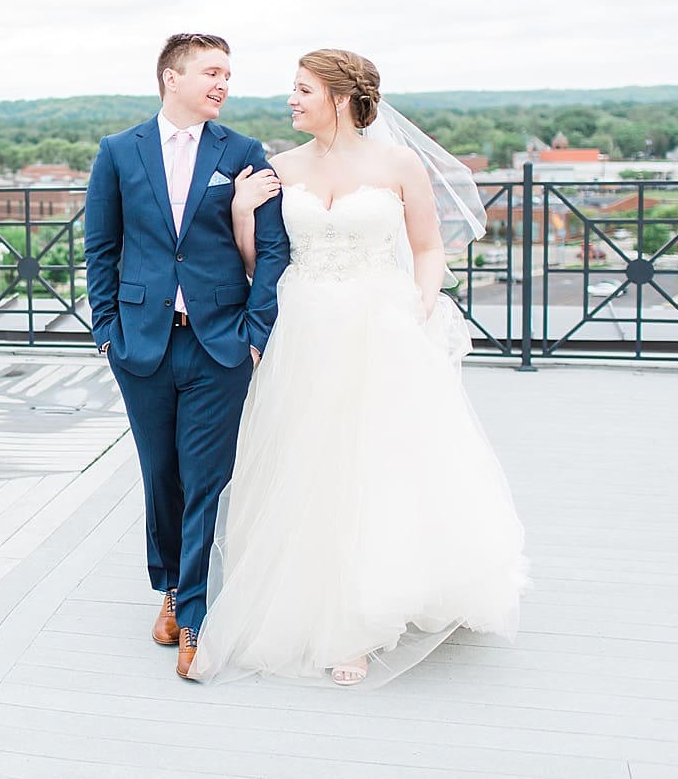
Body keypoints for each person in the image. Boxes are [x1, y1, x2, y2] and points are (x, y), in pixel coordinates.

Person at [187, 49, 528, 687]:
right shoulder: (279, 167)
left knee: (376, 467)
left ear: (340, 98)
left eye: (302, 90)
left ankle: (362, 624)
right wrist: (239, 211)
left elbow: (428, 248)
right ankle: (312, 604)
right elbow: (257, 262)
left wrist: (422, 306)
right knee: (308, 461)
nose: (290, 100)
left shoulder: (398, 164)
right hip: (305, 326)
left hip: (381, 325)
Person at [85, 33, 291, 679]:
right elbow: (100, 246)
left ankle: (197, 616)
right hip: (141, 340)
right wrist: (105, 330)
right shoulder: (119, 152)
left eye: (227, 73)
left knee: (206, 479)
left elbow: (274, 247)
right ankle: (170, 587)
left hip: (219, 341)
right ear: (170, 77)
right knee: (161, 476)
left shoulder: (244, 152)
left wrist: (255, 332)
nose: (222, 83)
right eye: (210, 71)